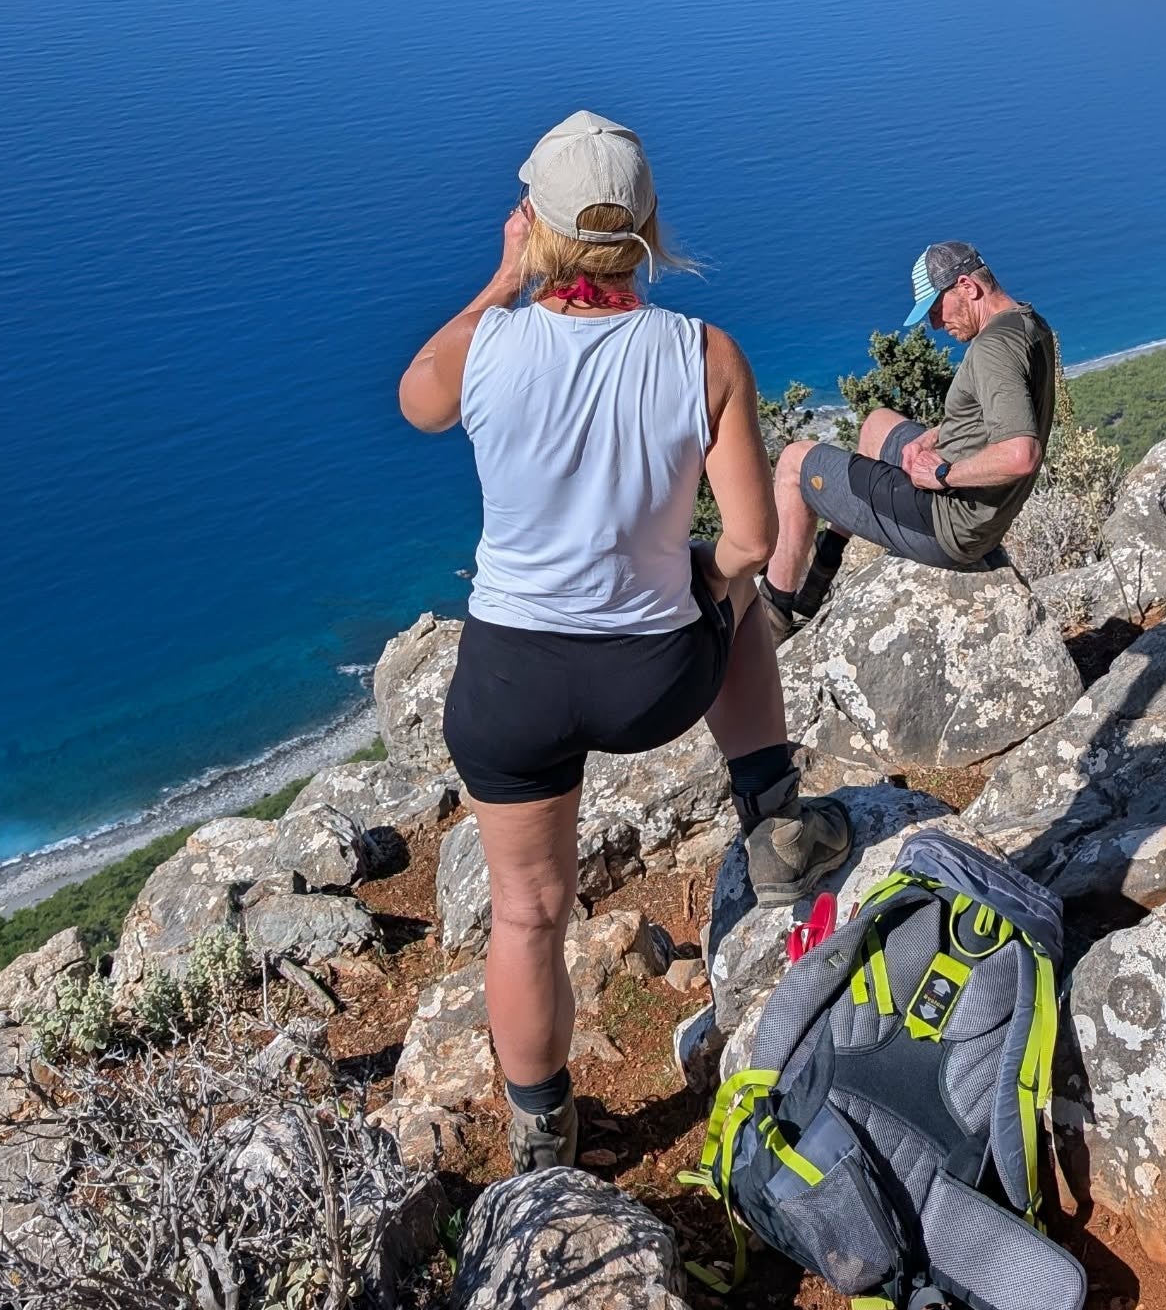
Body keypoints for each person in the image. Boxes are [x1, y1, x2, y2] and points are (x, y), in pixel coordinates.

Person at [398, 111, 853, 1172]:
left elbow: (416, 395)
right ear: (646, 223)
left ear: (533, 223)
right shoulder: (703, 353)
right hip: (649, 681)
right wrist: (702, 574)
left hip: (510, 682)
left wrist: (500, 279)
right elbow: (749, 536)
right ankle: (775, 824)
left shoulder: (485, 346)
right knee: (732, 600)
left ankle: (542, 1136)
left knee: (526, 912)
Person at [761, 240, 1059, 632]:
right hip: (975, 514)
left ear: (967, 287)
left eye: (937, 309)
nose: (936, 324)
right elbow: (1003, 413)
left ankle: (774, 617)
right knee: (877, 423)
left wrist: (940, 475)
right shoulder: (1027, 322)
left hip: (946, 524)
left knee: (794, 462)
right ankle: (820, 576)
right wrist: (935, 437)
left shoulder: (992, 349)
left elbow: (1021, 454)